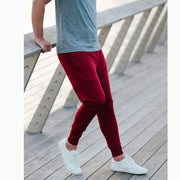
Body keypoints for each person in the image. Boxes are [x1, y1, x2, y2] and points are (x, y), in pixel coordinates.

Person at [32, 0, 148, 175]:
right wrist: (39, 37)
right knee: (95, 99)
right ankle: (70, 144)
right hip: (73, 49)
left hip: (94, 48)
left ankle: (119, 158)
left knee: (106, 103)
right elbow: (38, 2)